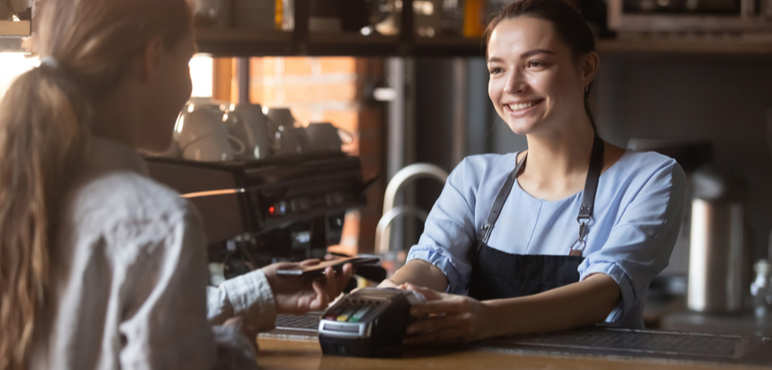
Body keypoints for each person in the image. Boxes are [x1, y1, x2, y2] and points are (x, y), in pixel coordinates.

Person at [0, 1, 352, 369]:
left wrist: (256, 291)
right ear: (151, 59)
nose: (189, 83)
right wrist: (233, 353)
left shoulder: (20, 190)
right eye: (188, 60)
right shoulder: (162, 222)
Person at [379, 0, 686, 344]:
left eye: (535, 63)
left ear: (587, 68)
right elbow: (430, 266)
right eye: (497, 70)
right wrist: (379, 300)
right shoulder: (474, 178)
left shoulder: (649, 177)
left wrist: (488, 318)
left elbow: (603, 292)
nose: (512, 86)